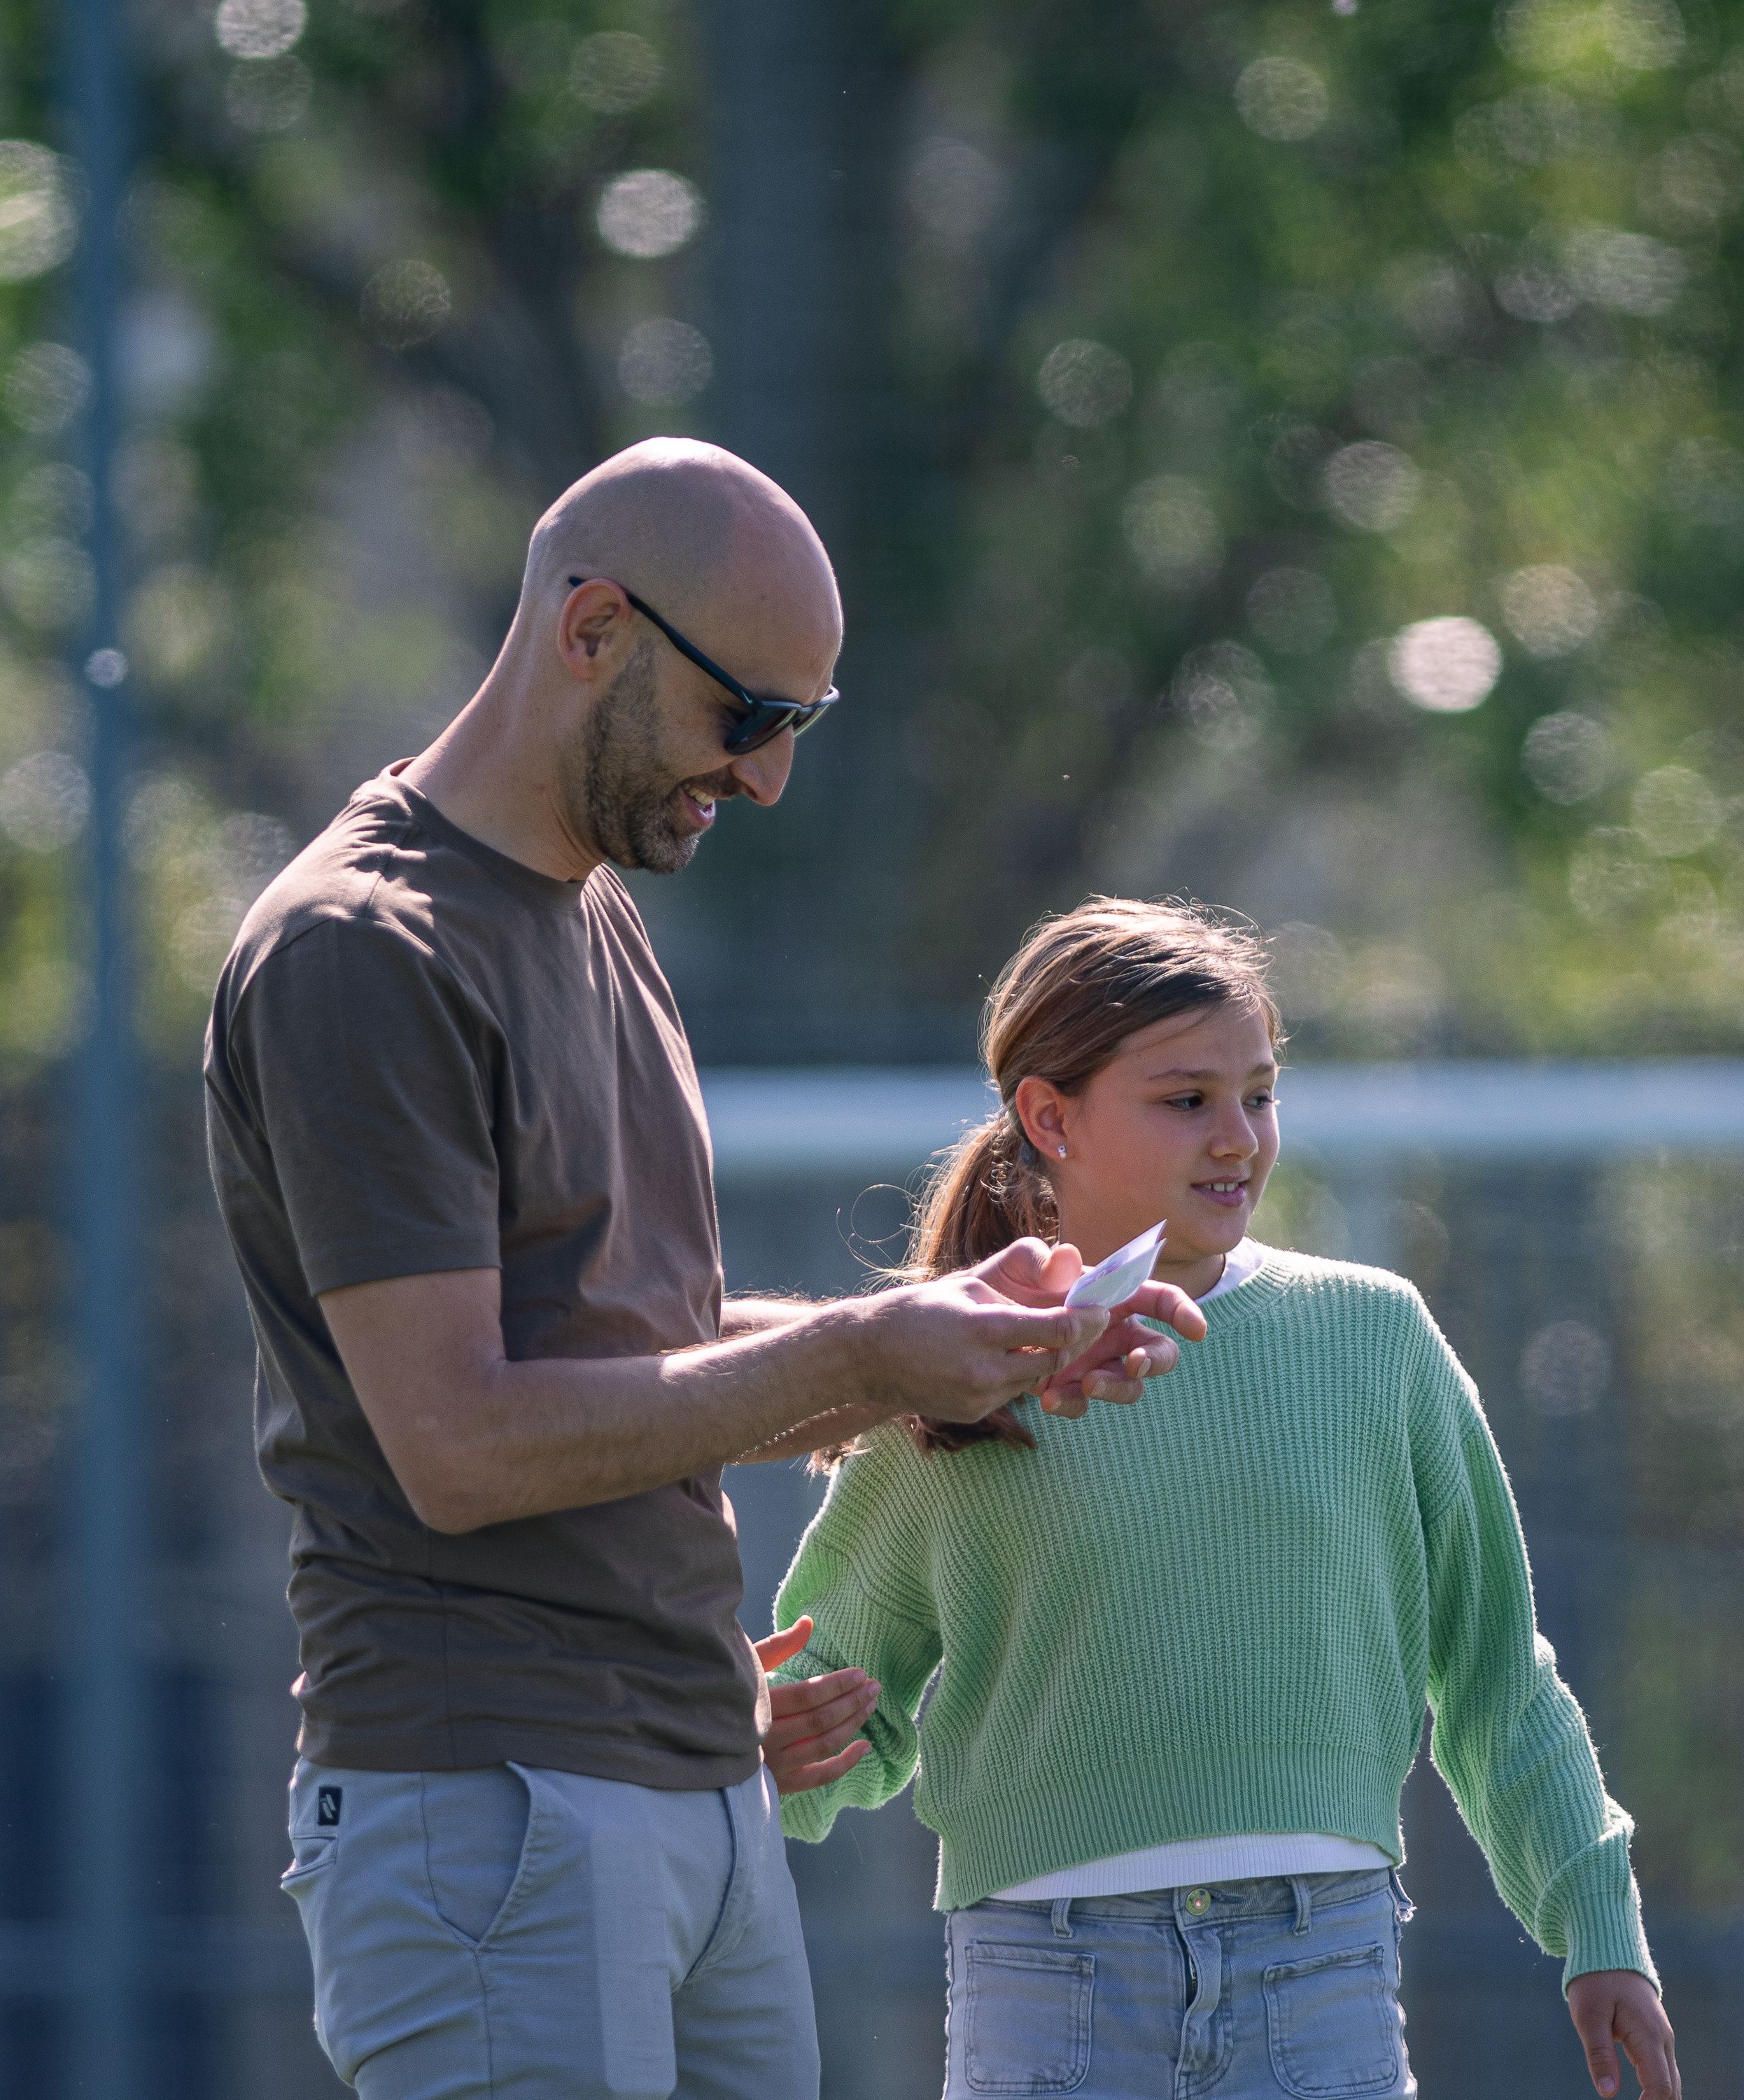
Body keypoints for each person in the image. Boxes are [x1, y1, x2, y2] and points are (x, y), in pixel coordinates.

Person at [202, 440, 1204, 2100]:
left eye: (802, 725)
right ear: (592, 626)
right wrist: (858, 1362)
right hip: (493, 1807)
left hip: (686, 1777)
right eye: (746, 716)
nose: (765, 779)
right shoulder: (363, 954)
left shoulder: (596, 911)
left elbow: (637, 1347)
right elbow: (456, 1447)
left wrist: (957, 1347)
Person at [764, 897, 1681, 2100]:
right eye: (1187, 1100)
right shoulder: (954, 1368)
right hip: (1048, 1983)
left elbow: (1498, 1675)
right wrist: (776, 1747)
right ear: (1050, 1117)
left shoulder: (1374, 1338)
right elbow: (841, 1707)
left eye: (1260, 1094)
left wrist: (1597, 1922)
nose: (1239, 1137)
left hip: (1326, 1968)